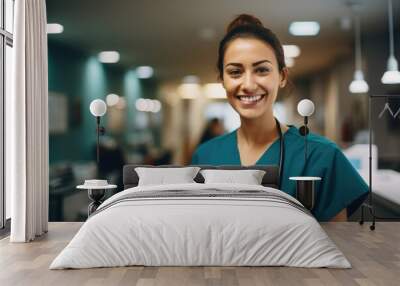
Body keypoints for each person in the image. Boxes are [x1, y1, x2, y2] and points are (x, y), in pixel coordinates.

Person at [191, 14, 368, 221]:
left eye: (262, 70)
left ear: (282, 76)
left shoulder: (322, 156)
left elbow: (337, 244)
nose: (248, 84)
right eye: (235, 72)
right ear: (222, 80)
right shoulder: (205, 156)